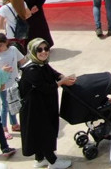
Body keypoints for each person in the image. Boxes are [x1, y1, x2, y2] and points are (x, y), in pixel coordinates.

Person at [19, 38, 75, 168]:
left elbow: (53, 73)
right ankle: (52, 161)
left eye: (46, 49)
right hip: (35, 108)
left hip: (43, 105)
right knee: (45, 133)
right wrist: (62, 82)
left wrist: (61, 77)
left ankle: (40, 159)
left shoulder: (41, 64)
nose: (44, 52)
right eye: (39, 49)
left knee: (40, 133)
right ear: (33, 51)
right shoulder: (32, 69)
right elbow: (46, 88)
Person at [0, 33, 25, 137]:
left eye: (0, 45)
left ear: (6, 42)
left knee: (13, 103)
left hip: (14, 83)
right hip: (2, 85)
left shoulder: (13, 50)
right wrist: (2, 70)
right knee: (5, 105)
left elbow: (22, 60)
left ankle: (14, 124)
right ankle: (3, 128)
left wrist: (23, 72)